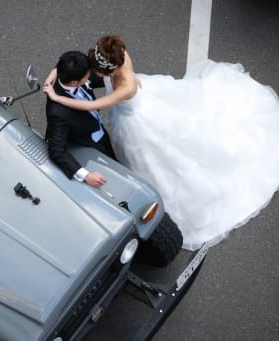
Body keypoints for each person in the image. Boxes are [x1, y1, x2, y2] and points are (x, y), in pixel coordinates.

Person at [44, 34, 279, 251]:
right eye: (87, 75)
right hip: (131, 107)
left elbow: (92, 106)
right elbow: (67, 65)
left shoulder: (125, 86)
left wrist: (55, 96)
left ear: (107, 68)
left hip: (138, 120)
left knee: (160, 160)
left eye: (94, 73)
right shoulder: (117, 55)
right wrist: (53, 77)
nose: (92, 78)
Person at [45, 50, 116, 187]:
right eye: (88, 74)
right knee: (111, 175)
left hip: (100, 131)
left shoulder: (70, 70)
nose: (91, 74)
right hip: (89, 144)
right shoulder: (57, 112)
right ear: (73, 83)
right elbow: (56, 150)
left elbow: (61, 64)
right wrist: (86, 175)